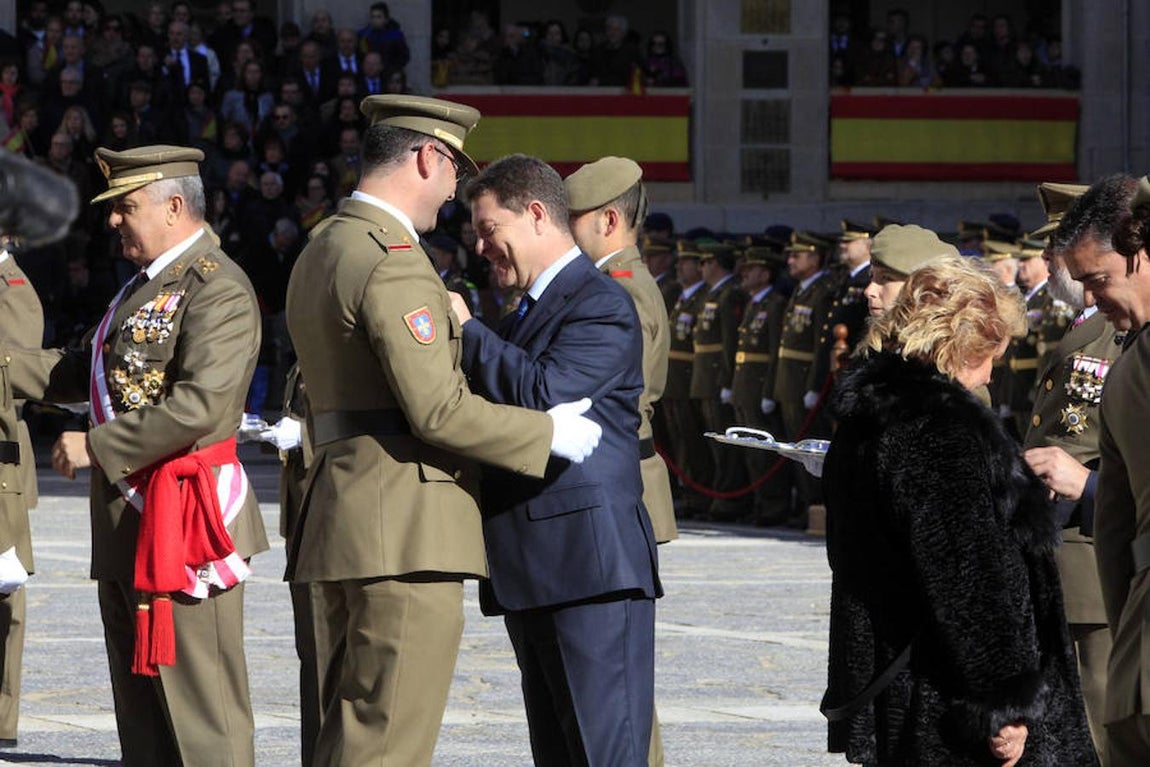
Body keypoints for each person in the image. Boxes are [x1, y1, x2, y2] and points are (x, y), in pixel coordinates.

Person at [283, 95, 603, 767]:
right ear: (427, 156)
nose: (456, 187)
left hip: (344, 509)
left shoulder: (325, 245)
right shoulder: (395, 257)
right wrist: (540, 432)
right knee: (388, 738)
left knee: (348, 727)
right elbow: (438, 408)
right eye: (454, 166)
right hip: (403, 526)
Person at [3, 145, 268, 765]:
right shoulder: (142, 287)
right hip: (130, 524)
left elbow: (199, 407)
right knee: (142, 718)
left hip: (187, 523)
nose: (114, 222)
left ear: (175, 206)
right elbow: (91, 369)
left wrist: (96, 445)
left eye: (126, 207)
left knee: (204, 717)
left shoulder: (217, 288)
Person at [821, 254, 1098, 767]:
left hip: (902, 678)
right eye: (992, 351)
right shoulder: (938, 431)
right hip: (943, 699)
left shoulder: (871, 415)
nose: (993, 367)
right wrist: (1006, 703)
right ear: (960, 345)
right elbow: (970, 578)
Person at [451, 152, 661, 766]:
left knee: (604, 753)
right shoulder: (530, 308)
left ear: (537, 214)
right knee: (560, 752)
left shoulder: (601, 301)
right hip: (537, 567)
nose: (484, 249)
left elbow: (547, 393)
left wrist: (469, 333)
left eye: (492, 231)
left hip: (589, 569)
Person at [1054, 173, 1150, 765]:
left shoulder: (1129, 366)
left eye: (1098, 280)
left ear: (1140, 255)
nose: (1091, 299)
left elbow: (1115, 538)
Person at [1022, 180, 1112, 760]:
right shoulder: (1084, 323)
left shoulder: (1113, 327)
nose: (1055, 258)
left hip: (1090, 544)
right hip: (1067, 539)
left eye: (1061, 244)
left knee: (1098, 713)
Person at [566, 156, 677, 546]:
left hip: (621, 473)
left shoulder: (623, 289)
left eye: (574, 219)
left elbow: (628, 395)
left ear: (609, 221)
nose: (566, 232)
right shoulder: (613, 283)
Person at [0, 238, 45, 748]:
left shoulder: (13, 289)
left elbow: (16, 379)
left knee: (4, 596)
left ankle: (2, 718)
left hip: (3, 461)